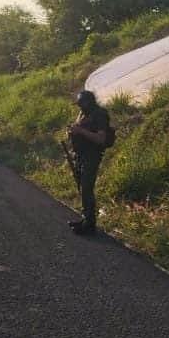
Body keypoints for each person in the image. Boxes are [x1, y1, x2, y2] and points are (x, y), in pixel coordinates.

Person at [67, 90, 110, 235]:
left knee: (86, 188)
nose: (80, 107)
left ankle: (90, 224)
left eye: (81, 104)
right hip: (80, 155)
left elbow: (101, 139)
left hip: (92, 156)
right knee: (83, 188)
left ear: (87, 102)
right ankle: (86, 218)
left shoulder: (100, 115)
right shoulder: (84, 114)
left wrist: (80, 131)